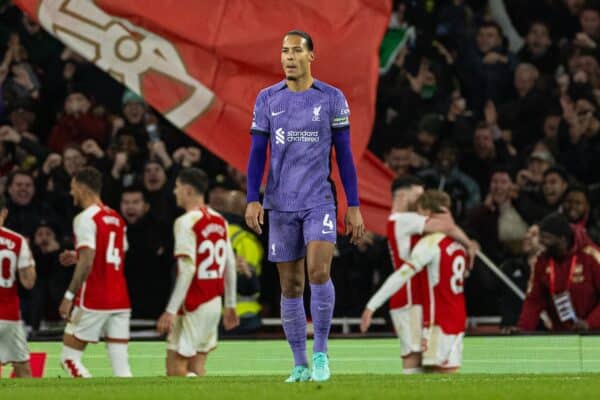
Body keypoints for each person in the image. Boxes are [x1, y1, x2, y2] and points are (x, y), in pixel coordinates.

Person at [245, 30, 364, 382]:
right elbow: (256, 154)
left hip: (319, 200)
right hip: (280, 203)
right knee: (291, 287)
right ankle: (299, 363)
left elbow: (344, 155)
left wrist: (353, 204)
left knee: (318, 272)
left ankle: (322, 354)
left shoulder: (331, 98)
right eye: (284, 51)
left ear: (312, 56)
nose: (289, 57)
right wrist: (253, 198)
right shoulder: (267, 99)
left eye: (296, 51)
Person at [361, 190, 468, 373]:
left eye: (419, 212)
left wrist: (372, 305)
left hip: (438, 322)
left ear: (427, 211)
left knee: (434, 377)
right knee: (447, 375)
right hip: (458, 316)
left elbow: (401, 275)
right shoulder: (458, 246)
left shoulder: (429, 244)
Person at [156, 168, 239, 377]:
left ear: (187, 190)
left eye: (177, 188)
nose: (175, 193)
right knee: (197, 366)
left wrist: (171, 310)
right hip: (213, 303)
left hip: (193, 302)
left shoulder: (185, 222)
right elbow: (229, 263)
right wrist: (230, 304)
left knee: (176, 370)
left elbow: (187, 269)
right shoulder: (220, 220)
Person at [58, 167, 132, 378]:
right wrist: (78, 255)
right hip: (120, 299)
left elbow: (89, 260)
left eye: (73, 188)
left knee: (69, 358)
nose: (71, 193)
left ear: (82, 188)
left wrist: (68, 296)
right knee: (121, 368)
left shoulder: (85, 219)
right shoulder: (117, 219)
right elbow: (118, 253)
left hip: (95, 298)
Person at [517, 212, 600, 332]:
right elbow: (534, 301)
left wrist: (590, 323)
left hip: (595, 333)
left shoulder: (591, 256)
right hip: (561, 335)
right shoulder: (541, 261)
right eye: (541, 237)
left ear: (562, 240)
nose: (541, 242)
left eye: (546, 237)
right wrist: (523, 329)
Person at [0, 194, 36, 377]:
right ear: (4, 213)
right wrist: (29, 259)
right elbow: (28, 283)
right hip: (8, 317)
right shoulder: (16, 241)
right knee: (23, 371)